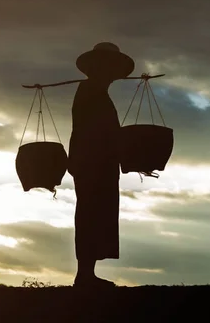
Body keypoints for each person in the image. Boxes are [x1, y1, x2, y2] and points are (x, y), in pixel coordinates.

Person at [68, 42, 135, 288]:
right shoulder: (90, 91)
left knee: (97, 215)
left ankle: (87, 273)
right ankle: (84, 275)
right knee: (90, 214)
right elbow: (92, 131)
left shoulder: (96, 91)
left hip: (99, 162)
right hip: (91, 162)